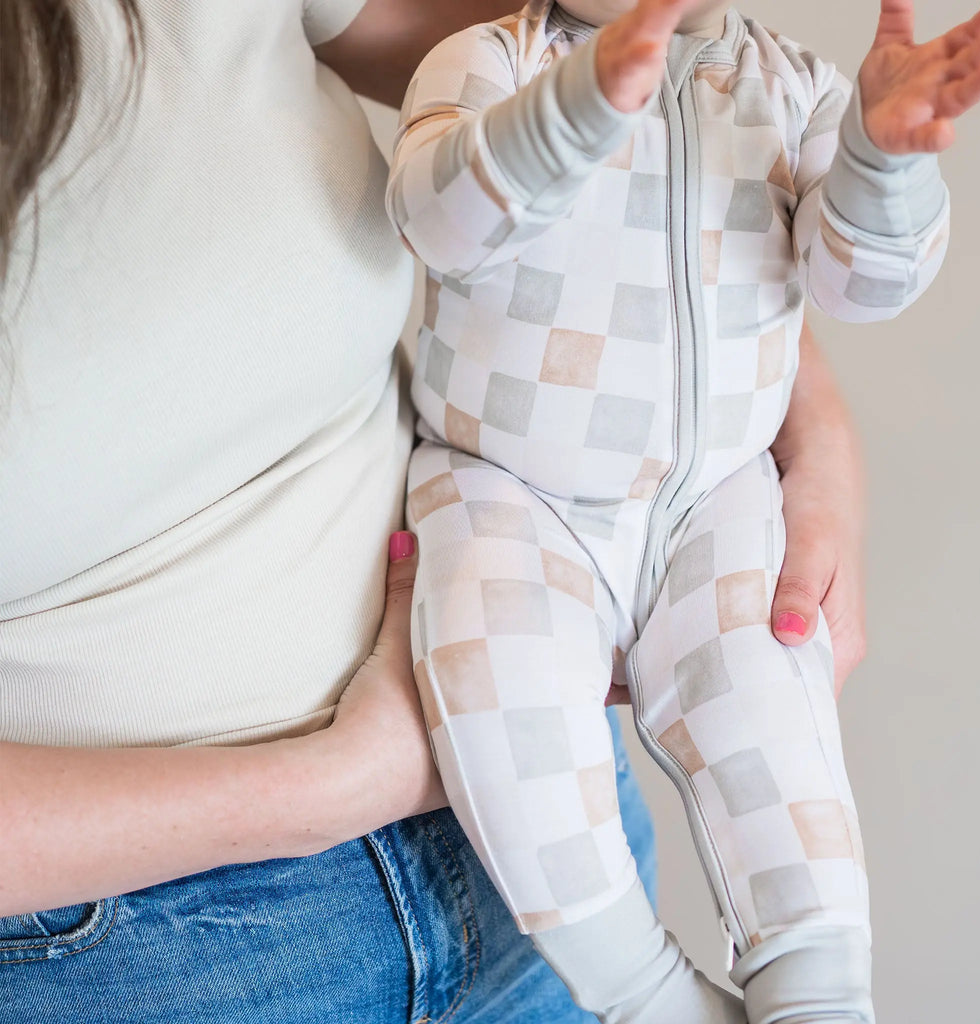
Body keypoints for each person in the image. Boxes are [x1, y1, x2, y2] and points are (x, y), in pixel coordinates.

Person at [1, 1, 881, 1021]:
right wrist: (328, 788)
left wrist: (789, 419)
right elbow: (456, 188)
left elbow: (637, 115)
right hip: (143, 968)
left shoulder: (729, 76)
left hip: (526, 839)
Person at [386, 1, 980, 1022]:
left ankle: (819, 996)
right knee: (504, 710)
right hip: (512, 491)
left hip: (714, 496)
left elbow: (854, 289)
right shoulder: (487, 59)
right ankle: (648, 994)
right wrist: (572, 111)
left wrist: (879, 160)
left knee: (766, 707)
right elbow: (436, 217)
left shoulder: (794, 87)